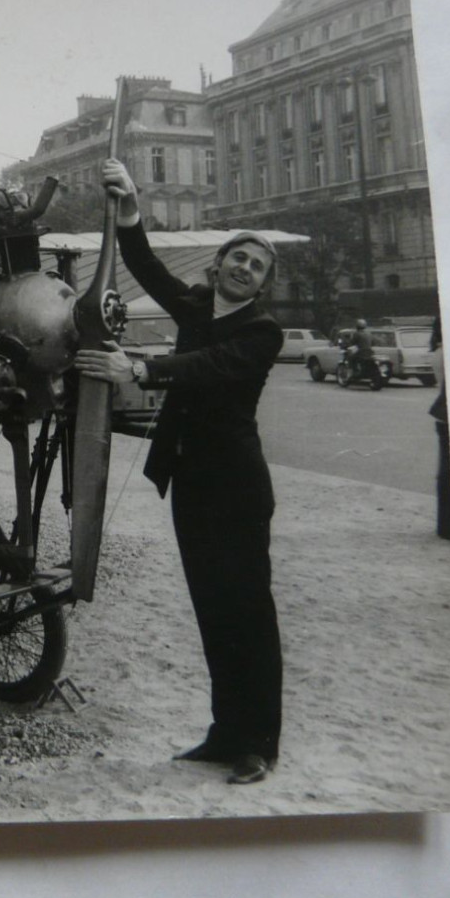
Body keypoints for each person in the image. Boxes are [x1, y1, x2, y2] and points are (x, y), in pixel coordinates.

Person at [75, 158, 285, 785]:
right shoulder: (197, 306)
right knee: (212, 610)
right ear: (217, 264)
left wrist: (139, 370)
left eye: (258, 266)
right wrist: (131, 206)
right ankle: (224, 733)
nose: (245, 268)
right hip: (191, 483)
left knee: (248, 613)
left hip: (238, 490)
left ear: (261, 284)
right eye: (238, 258)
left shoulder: (262, 331)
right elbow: (145, 269)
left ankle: (258, 744)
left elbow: (210, 368)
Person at [430, 316, 450, 541]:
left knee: (446, 472)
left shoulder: (438, 352)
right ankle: (449, 526)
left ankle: (445, 525)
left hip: (444, 414)